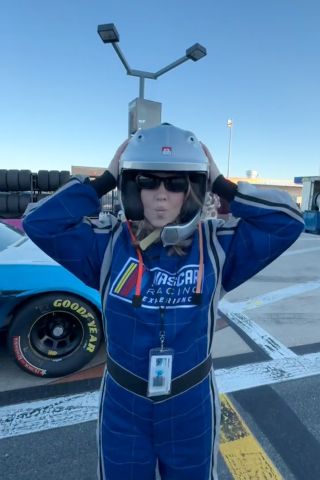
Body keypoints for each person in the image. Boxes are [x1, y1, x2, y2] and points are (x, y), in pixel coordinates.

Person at [23, 123, 304, 480]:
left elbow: (287, 223)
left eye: (174, 184)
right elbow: (40, 222)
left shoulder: (217, 246)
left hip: (191, 401)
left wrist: (221, 184)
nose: (160, 195)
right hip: (124, 403)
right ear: (130, 187)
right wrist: (105, 179)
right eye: (147, 182)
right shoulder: (107, 244)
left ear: (191, 191)